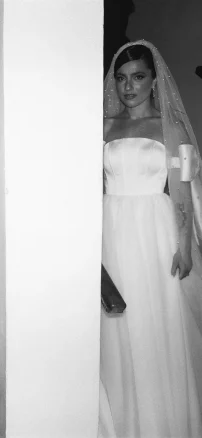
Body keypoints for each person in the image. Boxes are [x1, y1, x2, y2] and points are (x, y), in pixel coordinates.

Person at [100, 39, 202, 437]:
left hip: (156, 232)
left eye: (138, 77)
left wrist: (185, 244)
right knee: (113, 324)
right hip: (109, 228)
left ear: (154, 81)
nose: (129, 86)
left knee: (153, 322)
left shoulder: (173, 129)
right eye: (121, 78)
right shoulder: (103, 128)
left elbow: (186, 189)